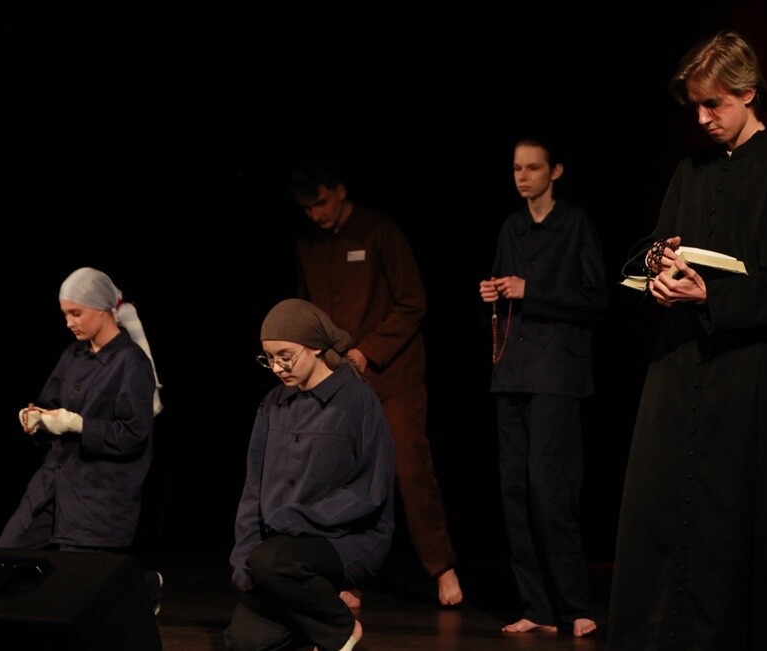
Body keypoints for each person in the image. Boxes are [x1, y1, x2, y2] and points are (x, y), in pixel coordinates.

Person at [607, 30, 767, 650]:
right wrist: (657, 266)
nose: (702, 119)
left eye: (714, 104)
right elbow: (652, 245)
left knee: (728, 521)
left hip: (748, 375)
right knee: (656, 509)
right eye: (696, 106)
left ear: (748, 94)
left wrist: (711, 296)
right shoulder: (690, 170)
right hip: (679, 368)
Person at [291, 157, 464, 607]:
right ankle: (350, 573)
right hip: (340, 382)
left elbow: (412, 302)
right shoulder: (309, 245)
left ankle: (442, 567)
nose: (315, 214)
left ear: (340, 191)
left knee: (410, 469)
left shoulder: (379, 232)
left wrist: (369, 350)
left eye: (321, 203)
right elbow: (309, 311)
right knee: (345, 478)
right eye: (307, 208)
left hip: (393, 377)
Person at [478, 134, 607, 637]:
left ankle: (575, 605)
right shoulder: (511, 226)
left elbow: (594, 298)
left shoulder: (575, 223)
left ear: (555, 172)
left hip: (556, 372)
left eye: (533, 168)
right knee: (514, 490)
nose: (523, 177)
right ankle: (536, 607)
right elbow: (503, 289)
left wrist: (532, 291)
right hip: (511, 371)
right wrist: (492, 291)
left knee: (550, 491)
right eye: (517, 168)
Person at [224, 298, 395, 651]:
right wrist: (244, 557)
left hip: (343, 539)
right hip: (278, 552)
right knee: (244, 642)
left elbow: (369, 489)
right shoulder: (273, 404)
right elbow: (253, 489)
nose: (277, 367)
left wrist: (295, 520)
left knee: (273, 560)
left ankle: (342, 629)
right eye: (269, 358)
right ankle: (310, 625)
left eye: (285, 356)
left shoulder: (357, 400)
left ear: (315, 347)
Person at [0, 266, 165, 613]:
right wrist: (36, 419)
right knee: (5, 558)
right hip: (54, 485)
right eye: (65, 314)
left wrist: (79, 425)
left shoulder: (130, 363)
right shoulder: (72, 355)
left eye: (76, 313)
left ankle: (145, 586)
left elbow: (134, 435)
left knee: (80, 589)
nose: (69, 322)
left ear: (103, 310)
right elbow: (49, 404)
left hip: (98, 495)